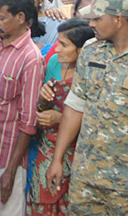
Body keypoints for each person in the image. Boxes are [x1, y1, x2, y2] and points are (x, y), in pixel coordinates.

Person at [44, 0, 128, 215]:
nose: (91, 24)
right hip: (86, 176)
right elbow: (75, 107)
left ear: (118, 20)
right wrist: (57, 158)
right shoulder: (91, 51)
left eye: (98, 18)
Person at [0, 0, 44, 216]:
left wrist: (10, 171)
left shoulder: (31, 59)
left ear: (20, 18)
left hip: (5, 157)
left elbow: (28, 121)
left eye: (1, 17)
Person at [26, 19, 95, 216]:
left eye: (64, 45)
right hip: (46, 149)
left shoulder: (91, 73)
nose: (57, 49)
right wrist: (43, 99)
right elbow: (41, 109)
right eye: (58, 43)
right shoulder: (54, 62)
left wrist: (60, 119)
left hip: (76, 153)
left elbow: (93, 117)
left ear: (82, 49)